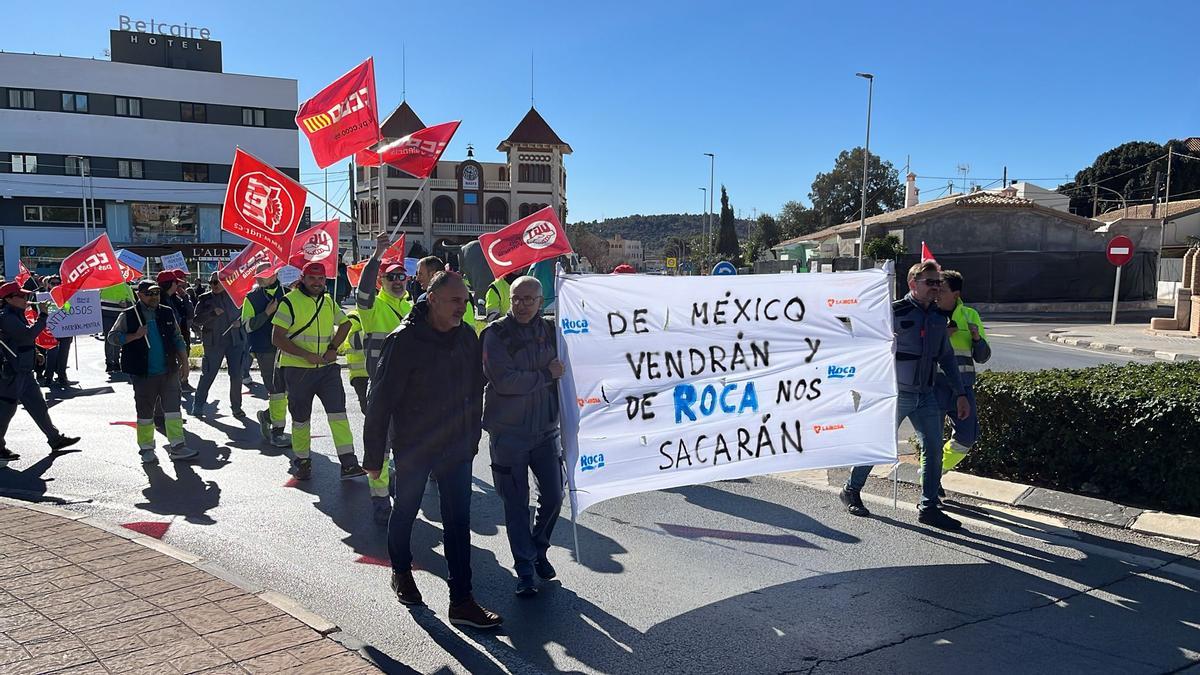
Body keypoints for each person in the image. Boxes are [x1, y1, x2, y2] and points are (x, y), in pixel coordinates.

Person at [363, 271, 501, 629]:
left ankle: (462, 601)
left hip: (456, 446)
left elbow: (475, 389)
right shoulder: (404, 340)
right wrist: (374, 456)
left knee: (458, 522)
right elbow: (380, 401)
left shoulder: (468, 337)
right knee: (406, 510)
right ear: (432, 298)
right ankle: (401, 572)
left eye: (466, 300)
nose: (463, 306)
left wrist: (471, 439)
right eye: (456, 300)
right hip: (414, 445)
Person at [839, 261, 970, 530]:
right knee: (879, 444)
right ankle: (851, 489)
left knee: (933, 449)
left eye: (938, 283)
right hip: (896, 393)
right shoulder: (893, 312)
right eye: (930, 282)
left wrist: (960, 393)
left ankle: (929, 506)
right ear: (913, 283)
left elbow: (946, 357)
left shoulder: (938, 318)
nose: (936, 287)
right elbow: (862, 341)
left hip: (927, 394)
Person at [481, 276, 564, 597]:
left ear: (541, 301)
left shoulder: (553, 333)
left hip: (546, 431)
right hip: (508, 435)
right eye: (517, 299)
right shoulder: (495, 335)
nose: (523, 304)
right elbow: (504, 380)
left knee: (555, 497)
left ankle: (538, 548)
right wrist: (545, 375)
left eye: (530, 299)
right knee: (516, 505)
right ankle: (525, 569)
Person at [271, 262, 364, 480]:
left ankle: (348, 463)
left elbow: (345, 324)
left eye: (321, 279)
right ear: (302, 278)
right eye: (312, 278)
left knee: (339, 414)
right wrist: (305, 354)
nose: (317, 282)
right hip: (297, 370)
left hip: (327, 369)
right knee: (301, 419)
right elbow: (276, 338)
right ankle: (302, 461)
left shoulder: (328, 300)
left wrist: (333, 348)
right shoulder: (289, 301)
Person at [108, 280, 197, 463]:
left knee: (173, 411)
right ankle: (147, 448)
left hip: (169, 370)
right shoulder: (129, 315)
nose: (154, 297)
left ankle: (178, 446)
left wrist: (185, 362)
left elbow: (177, 337)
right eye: (149, 293)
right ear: (139, 295)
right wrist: (135, 335)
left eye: (156, 293)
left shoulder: (166, 311)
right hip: (143, 373)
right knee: (145, 413)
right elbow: (112, 337)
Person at [0, 282, 80, 462]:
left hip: (24, 370)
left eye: (26, 296)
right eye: (22, 296)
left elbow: (21, 340)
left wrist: (35, 352)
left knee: (38, 406)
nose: (26, 299)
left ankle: (55, 439)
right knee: (6, 411)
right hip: (11, 374)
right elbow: (27, 335)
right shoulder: (6, 317)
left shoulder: (17, 314)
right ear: (9, 299)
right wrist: (43, 316)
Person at [934, 270, 991, 477]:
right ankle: (930, 484)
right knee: (931, 440)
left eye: (941, 290)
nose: (936, 293)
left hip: (963, 389)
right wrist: (941, 336)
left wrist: (976, 338)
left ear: (956, 294)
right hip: (934, 386)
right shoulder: (929, 314)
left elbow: (983, 357)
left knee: (967, 437)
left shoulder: (970, 315)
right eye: (935, 288)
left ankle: (935, 472)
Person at [242, 263, 290, 448]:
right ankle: (277, 432)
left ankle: (267, 416)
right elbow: (247, 326)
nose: (259, 278)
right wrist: (266, 313)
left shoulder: (288, 293)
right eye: (258, 275)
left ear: (274, 275)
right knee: (276, 390)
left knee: (289, 391)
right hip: (265, 350)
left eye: (264, 275)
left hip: (288, 347)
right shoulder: (251, 298)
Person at [191, 272, 247, 418]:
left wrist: (240, 323)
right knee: (208, 374)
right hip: (214, 343)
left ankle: (236, 407)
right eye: (211, 282)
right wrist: (211, 313)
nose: (214, 285)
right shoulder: (205, 299)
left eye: (217, 282)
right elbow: (196, 321)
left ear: (226, 282)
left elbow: (247, 316)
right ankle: (198, 405)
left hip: (235, 342)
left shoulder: (237, 297)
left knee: (236, 376)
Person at [416, 256, 479, 332]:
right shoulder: (421, 299)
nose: (417, 278)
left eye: (420, 274)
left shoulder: (461, 297)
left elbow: (469, 329)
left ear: (432, 274)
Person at [159, 270, 195, 392]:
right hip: (169, 340)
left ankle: (182, 383)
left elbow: (190, 314)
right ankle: (175, 386)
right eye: (176, 282)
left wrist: (185, 297)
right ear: (170, 284)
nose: (180, 284)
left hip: (181, 335)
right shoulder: (160, 300)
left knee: (181, 362)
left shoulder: (175, 298)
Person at [41, 276, 76, 388]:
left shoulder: (65, 296)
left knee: (63, 354)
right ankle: (49, 376)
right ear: (48, 284)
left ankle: (62, 376)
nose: (56, 285)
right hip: (50, 331)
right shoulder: (43, 297)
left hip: (65, 329)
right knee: (52, 354)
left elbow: (69, 310)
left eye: (58, 283)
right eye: (53, 283)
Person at [100, 280, 136, 374]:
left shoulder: (126, 287)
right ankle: (110, 363)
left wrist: (126, 304)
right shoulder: (105, 286)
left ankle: (115, 363)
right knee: (111, 339)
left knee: (115, 340)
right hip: (107, 316)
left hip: (117, 316)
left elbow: (133, 304)